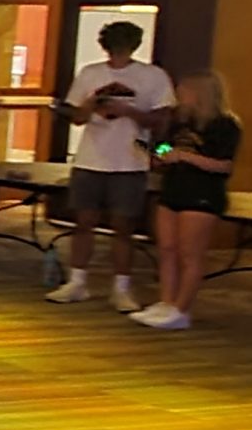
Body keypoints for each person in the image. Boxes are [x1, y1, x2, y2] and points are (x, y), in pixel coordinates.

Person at [49, 20, 172, 311]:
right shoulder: (90, 73)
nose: (118, 50)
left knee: (123, 226)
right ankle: (77, 282)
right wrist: (92, 105)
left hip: (130, 161)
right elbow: (77, 117)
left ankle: (121, 288)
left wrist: (128, 111)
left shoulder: (152, 76)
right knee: (83, 222)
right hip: (90, 158)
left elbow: (161, 119)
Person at [136, 70, 239, 330]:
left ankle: (182, 309)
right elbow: (164, 147)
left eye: (184, 92)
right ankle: (166, 302)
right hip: (173, 188)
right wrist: (160, 155)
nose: (179, 97)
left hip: (202, 193)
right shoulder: (178, 122)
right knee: (167, 249)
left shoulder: (225, 125)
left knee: (190, 254)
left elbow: (224, 165)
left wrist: (183, 157)